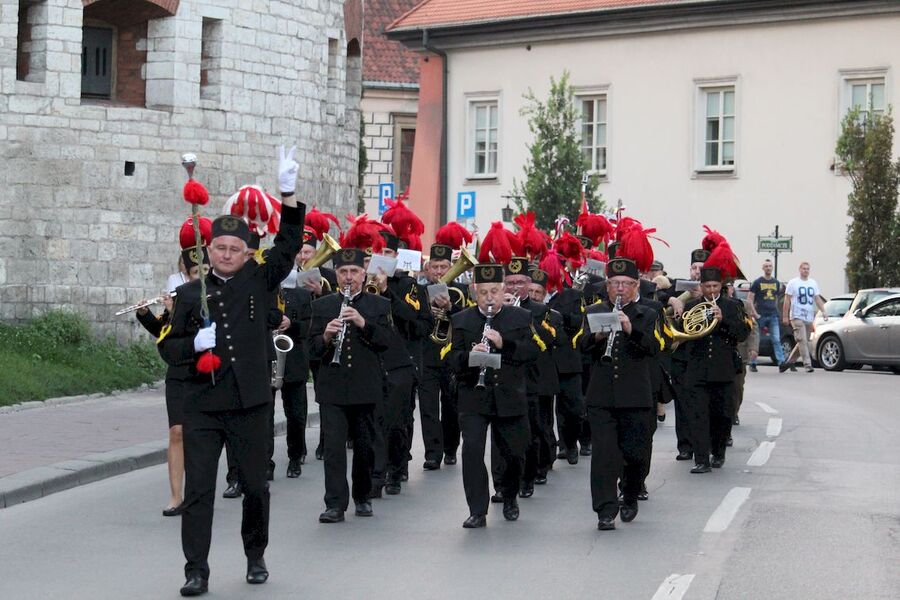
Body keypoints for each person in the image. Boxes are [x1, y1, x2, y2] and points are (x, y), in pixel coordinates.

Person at [158, 147, 304, 597]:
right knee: (199, 491)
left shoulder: (259, 279)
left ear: (246, 253)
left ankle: (255, 555)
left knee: (256, 486)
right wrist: (192, 345)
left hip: (249, 401)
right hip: (203, 404)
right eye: (219, 248)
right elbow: (169, 350)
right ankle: (196, 570)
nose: (225, 254)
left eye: (234, 249)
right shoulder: (189, 295)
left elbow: (288, 245)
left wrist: (287, 194)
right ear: (209, 250)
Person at [446, 264, 540, 528]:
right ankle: (477, 509)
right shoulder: (461, 320)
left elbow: (533, 352)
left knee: (514, 454)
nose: (489, 298)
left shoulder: (521, 317)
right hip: (473, 396)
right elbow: (450, 358)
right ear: (475, 292)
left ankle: (509, 496)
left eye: (495, 292)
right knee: (472, 451)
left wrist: (503, 344)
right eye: (484, 292)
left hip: (509, 394)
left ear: (503, 291)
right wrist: (470, 357)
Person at [308, 247, 394, 523]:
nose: (349, 277)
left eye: (354, 272)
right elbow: (310, 350)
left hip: (365, 386)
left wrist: (362, 323)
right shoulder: (322, 306)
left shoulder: (379, 305)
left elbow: (387, 343)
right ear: (336, 275)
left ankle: (363, 496)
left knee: (365, 447)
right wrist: (325, 336)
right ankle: (334, 503)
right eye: (343, 272)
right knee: (334, 449)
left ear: (363, 274)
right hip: (332, 388)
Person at [580, 258, 660, 530]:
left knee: (635, 454)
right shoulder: (594, 311)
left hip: (636, 395)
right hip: (601, 396)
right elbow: (581, 346)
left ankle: (630, 494)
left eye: (626, 284)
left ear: (636, 285)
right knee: (604, 455)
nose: (620, 289)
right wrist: (598, 336)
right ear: (607, 286)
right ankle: (605, 509)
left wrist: (630, 330)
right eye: (614, 284)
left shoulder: (648, 313)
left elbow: (655, 347)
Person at [136, 246, 209, 517]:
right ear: (187, 275)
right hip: (179, 372)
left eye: (205, 270)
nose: (201, 276)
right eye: (196, 272)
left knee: (200, 436)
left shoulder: (219, 297)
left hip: (206, 373)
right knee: (176, 431)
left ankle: (199, 492)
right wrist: (147, 314)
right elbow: (164, 335)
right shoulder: (181, 298)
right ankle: (176, 496)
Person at [682, 266, 750, 474]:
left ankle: (718, 452)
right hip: (698, 368)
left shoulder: (732, 305)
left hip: (722, 369)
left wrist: (723, 321)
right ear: (701, 286)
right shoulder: (691, 307)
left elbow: (742, 333)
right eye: (707, 286)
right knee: (698, 415)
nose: (711, 290)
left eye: (715, 286)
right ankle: (701, 459)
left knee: (721, 415)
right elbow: (683, 333)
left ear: (721, 286)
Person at [419, 241, 468, 468]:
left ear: (451, 267)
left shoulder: (462, 291)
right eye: (435, 267)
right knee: (428, 408)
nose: (439, 272)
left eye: (444, 267)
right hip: (427, 355)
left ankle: (450, 448)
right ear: (427, 269)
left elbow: (467, 322)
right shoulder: (418, 291)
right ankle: (432, 453)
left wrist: (449, 308)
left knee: (451, 407)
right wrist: (429, 312)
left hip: (451, 358)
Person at [670, 248, 708, 463]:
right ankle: (685, 445)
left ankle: (705, 443)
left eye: (701, 268)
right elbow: (657, 298)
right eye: (694, 268)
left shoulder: (713, 291)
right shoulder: (678, 287)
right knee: (682, 403)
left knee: (701, 405)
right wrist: (673, 300)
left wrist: (703, 298)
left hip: (702, 357)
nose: (697, 272)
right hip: (681, 356)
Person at [782, 262, 827, 373]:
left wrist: (824, 311)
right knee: (802, 340)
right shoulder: (793, 283)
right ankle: (808, 364)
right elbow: (787, 300)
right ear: (800, 269)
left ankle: (789, 362)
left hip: (808, 317)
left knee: (803, 342)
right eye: (804, 268)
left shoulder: (813, 283)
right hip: (796, 316)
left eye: (807, 269)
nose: (806, 271)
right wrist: (785, 316)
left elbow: (817, 299)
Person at [747, 259, 784, 370]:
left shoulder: (776, 282)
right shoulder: (757, 282)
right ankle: (753, 362)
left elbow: (776, 298)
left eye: (770, 266)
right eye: (766, 266)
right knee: (756, 340)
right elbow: (750, 299)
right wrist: (754, 313)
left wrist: (776, 310)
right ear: (763, 268)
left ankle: (781, 362)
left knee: (776, 339)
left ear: (772, 268)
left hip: (773, 315)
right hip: (760, 315)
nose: (768, 268)